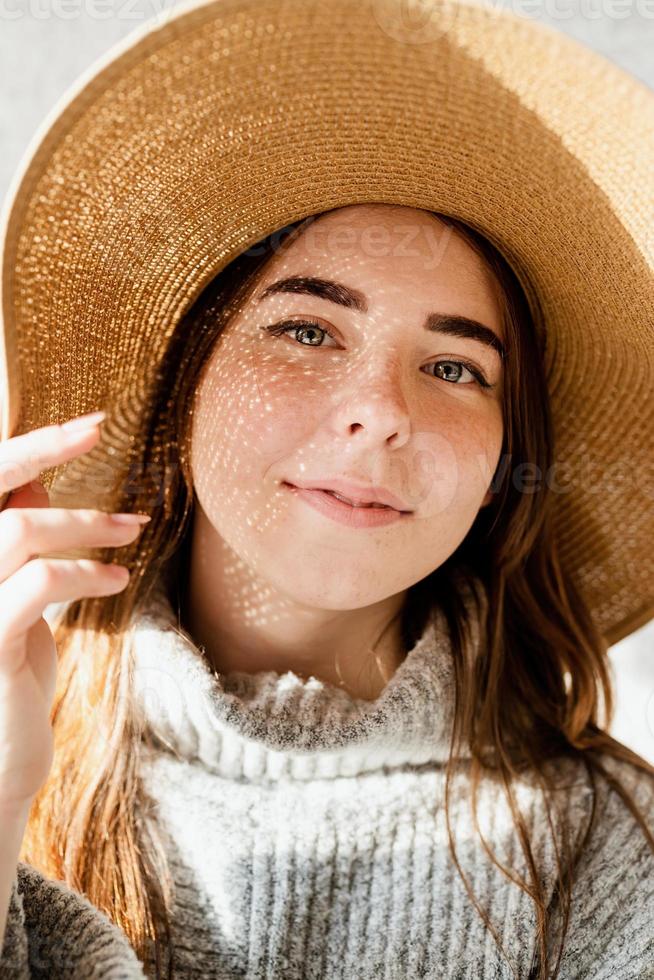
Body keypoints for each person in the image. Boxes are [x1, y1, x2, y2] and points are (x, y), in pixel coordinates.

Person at [0, 2, 652, 979]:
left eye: (456, 367)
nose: (380, 410)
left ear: (500, 469)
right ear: (184, 386)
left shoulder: (611, 855)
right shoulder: (16, 740)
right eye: (306, 330)